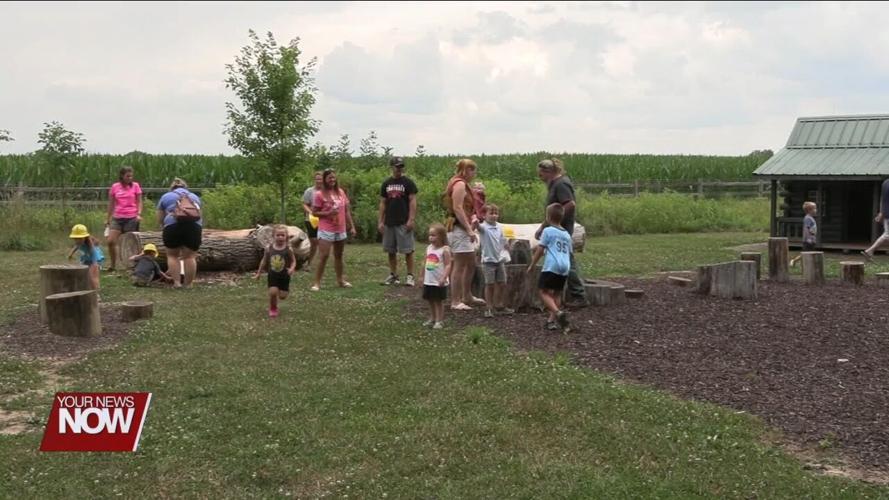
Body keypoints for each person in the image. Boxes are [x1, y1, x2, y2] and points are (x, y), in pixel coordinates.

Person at [535, 158, 587, 307]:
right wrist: (545, 226)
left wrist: (554, 222)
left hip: (561, 229)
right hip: (557, 228)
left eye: (541, 175)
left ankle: (579, 295)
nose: (541, 178)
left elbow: (570, 204)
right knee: (565, 259)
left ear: (549, 172)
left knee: (566, 260)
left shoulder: (561, 184)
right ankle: (572, 291)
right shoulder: (555, 184)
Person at [444, 158, 485, 310]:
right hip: (458, 228)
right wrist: (468, 229)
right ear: (466, 170)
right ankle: (455, 300)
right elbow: (458, 208)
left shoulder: (462, 184)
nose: (474, 174)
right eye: (473, 170)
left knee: (471, 262)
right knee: (459, 264)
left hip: (463, 227)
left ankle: (467, 295)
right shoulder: (459, 184)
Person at [528, 203, 572, 332]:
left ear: (547, 217)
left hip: (552, 266)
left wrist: (532, 264)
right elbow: (569, 252)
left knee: (543, 291)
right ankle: (551, 321)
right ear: (561, 217)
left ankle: (558, 313)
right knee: (557, 293)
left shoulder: (547, 231)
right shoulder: (567, 234)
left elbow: (540, 250)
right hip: (565, 266)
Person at [311, 169, 357, 291]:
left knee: (339, 255)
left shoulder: (340, 192)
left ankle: (340, 280)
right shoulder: (319, 194)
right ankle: (317, 283)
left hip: (340, 228)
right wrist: (328, 213)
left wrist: (351, 226)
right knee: (324, 255)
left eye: (333, 178)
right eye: (329, 178)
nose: (332, 180)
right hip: (326, 228)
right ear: (325, 180)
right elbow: (314, 212)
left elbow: (346, 210)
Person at [379, 156, 418, 287]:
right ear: (392, 167)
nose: (399, 169)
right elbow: (383, 203)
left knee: (408, 250)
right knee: (391, 250)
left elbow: (413, 201)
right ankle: (393, 275)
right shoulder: (386, 183)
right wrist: (380, 221)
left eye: (401, 167)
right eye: (397, 167)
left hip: (403, 221)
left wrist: (411, 219)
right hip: (390, 221)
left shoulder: (408, 183)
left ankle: (410, 275)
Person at [156, 178, 202, 288]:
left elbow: (160, 218)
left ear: (172, 188)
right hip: (193, 227)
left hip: (172, 226)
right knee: (190, 257)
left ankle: (177, 283)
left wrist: (163, 226)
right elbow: (200, 215)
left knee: (172, 256)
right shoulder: (195, 197)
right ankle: (189, 284)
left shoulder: (166, 197)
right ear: (185, 187)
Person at [474, 203, 514, 318]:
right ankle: (489, 307)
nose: (494, 215)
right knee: (489, 284)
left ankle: (499, 305)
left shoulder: (499, 227)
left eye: (496, 213)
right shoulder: (484, 227)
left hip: (499, 260)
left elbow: (502, 241)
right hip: (488, 261)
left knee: (502, 283)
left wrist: (507, 247)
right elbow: (478, 227)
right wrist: (475, 221)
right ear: (485, 215)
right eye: (491, 213)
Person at [105, 166, 143, 272]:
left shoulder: (135, 186)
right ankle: (113, 264)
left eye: (131, 176)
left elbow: (139, 201)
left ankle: (132, 265)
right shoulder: (115, 187)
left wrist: (138, 214)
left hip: (131, 217)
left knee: (130, 243)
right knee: (111, 241)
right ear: (122, 176)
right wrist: (108, 218)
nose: (130, 178)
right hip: (117, 217)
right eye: (127, 176)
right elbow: (111, 204)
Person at [254, 225, 297, 317]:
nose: (280, 237)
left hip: (284, 276)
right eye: (278, 235)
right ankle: (273, 308)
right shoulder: (269, 248)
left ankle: (283, 291)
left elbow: (293, 260)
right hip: (272, 275)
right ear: (273, 236)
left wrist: (292, 268)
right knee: (273, 293)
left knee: (282, 296)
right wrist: (258, 273)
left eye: (282, 235)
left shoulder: (288, 249)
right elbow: (264, 260)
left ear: (286, 237)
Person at [422, 223, 452, 330]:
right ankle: (432, 318)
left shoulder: (444, 250)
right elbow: (425, 262)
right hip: (428, 280)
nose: (431, 237)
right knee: (430, 299)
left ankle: (439, 320)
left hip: (438, 281)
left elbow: (448, 265)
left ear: (441, 236)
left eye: (434, 235)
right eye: (430, 235)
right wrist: (422, 276)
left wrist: (444, 277)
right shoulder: (429, 248)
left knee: (438, 301)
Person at [67, 224, 104, 290]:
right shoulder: (78, 242)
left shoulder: (89, 242)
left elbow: (93, 252)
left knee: (92, 276)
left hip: (95, 259)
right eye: (76, 238)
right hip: (86, 259)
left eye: (80, 238)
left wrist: (95, 263)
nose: (78, 240)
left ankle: (96, 292)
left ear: (85, 237)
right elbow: (76, 246)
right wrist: (71, 254)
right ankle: (86, 289)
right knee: (83, 273)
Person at [301, 172, 323, 271]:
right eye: (317, 179)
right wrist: (310, 212)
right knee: (314, 242)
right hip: (311, 219)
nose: (319, 181)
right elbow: (304, 204)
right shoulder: (309, 191)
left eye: (320, 179)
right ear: (314, 180)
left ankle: (319, 262)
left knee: (323, 241)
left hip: (324, 219)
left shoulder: (326, 191)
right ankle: (308, 263)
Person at [863, 178, 889, 260]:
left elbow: (882, 199)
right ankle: (869, 251)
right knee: (887, 235)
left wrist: (881, 212)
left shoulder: (885, 182)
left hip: (886, 213)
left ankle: (869, 251)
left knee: (887, 234)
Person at [790, 202, 817, 267]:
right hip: (808, 240)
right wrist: (809, 239)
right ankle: (795, 261)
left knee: (807, 253)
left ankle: (801, 263)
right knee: (806, 254)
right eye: (814, 208)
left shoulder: (810, 218)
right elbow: (807, 230)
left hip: (811, 239)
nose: (816, 210)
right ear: (809, 210)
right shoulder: (807, 218)